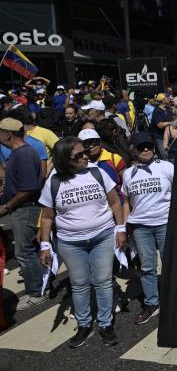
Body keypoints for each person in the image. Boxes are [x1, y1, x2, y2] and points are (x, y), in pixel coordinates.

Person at [38, 137, 126, 347]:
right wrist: (44, 245)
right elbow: (48, 216)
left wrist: (120, 229)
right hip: (70, 243)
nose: (85, 156)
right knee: (79, 284)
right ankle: (85, 324)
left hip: (102, 236)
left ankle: (105, 324)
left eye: (84, 152)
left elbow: (115, 202)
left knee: (103, 281)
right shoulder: (54, 181)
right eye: (78, 155)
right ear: (63, 160)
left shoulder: (97, 172)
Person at [122, 132, 174, 325]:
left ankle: (173, 300)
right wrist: (124, 227)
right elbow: (127, 202)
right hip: (140, 227)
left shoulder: (167, 167)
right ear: (134, 150)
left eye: (149, 146)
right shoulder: (128, 174)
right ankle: (151, 303)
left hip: (165, 223)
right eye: (141, 147)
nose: (146, 150)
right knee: (147, 267)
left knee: (171, 263)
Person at [0, 117, 46, 310]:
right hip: (24, 208)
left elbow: (29, 188)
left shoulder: (23, 154)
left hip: (25, 209)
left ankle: (35, 293)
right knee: (28, 251)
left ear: (8, 134)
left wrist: (8, 206)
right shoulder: (20, 153)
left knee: (24, 252)